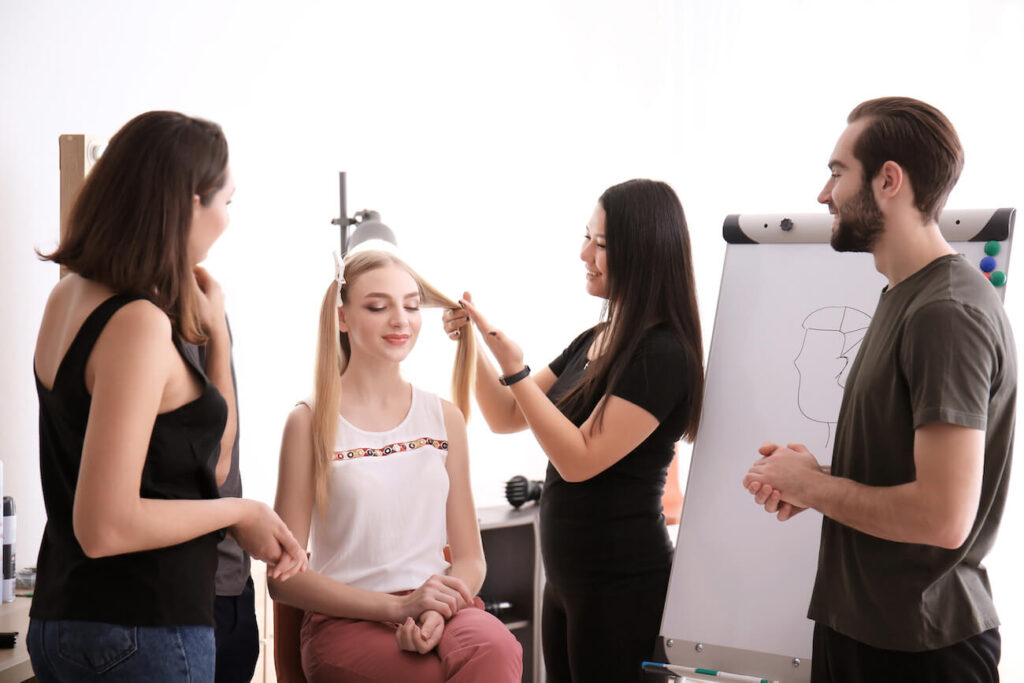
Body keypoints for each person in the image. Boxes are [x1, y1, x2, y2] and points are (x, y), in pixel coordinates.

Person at [28, 110, 307, 682]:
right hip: (140, 629)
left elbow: (214, 458)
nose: (228, 219)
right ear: (189, 205)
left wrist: (218, 334)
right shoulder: (136, 324)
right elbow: (103, 526)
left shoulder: (69, 297)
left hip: (65, 620)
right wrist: (241, 511)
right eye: (227, 201)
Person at [742, 97, 1015, 683]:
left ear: (889, 180)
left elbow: (943, 517)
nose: (823, 195)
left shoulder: (946, 311)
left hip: (917, 653)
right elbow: (906, 476)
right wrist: (811, 478)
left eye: (837, 173)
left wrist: (814, 487)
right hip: (863, 635)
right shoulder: (904, 296)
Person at [444, 179, 705, 682]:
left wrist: (517, 371)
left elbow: (580, 459)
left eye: (602, 244)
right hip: (567, 582)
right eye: (588, 236)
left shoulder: (662, 353)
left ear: (643, 251)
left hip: (623, 588)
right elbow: (505, 414)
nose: (585, 252)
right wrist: (472, 346)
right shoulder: (598, 337)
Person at [268, 249, 523, 682]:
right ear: (343, 317)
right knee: (421, 674)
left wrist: (437, 612)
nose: (401, 320)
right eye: (378, 306)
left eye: (410, 305)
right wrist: (399, 607)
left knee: (498, 649)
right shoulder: (308, 422)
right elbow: (284, 580)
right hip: (344, 619)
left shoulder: (445, 419)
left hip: (440, 606)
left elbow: (470, 560)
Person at [184, 328, 259, 683]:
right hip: (190, 597)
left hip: (215, 586)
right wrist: (244, 513)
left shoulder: (74, 299)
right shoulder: (159, 315)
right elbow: (214, 467)